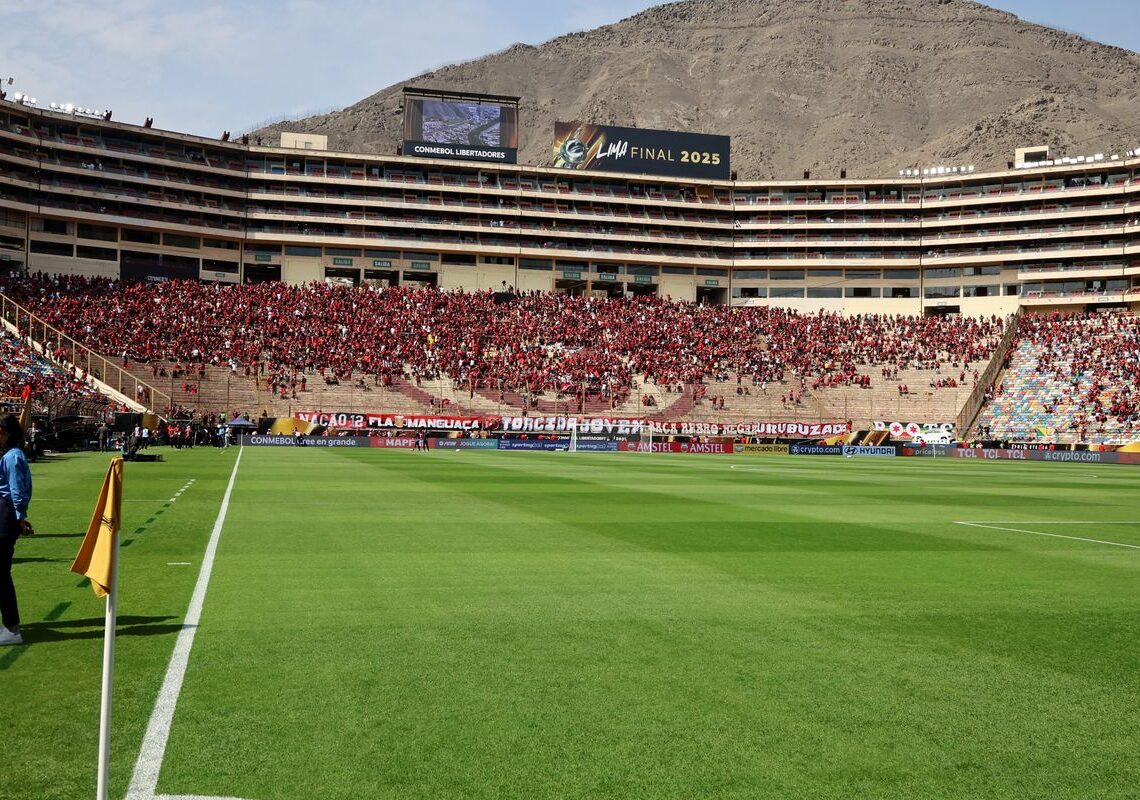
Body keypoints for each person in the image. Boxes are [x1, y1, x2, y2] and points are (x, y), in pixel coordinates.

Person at [0, 414, 33, 646]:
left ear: (7, 432)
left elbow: (16, 489)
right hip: (5, 512)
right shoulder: (10, 455)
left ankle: (12, 628)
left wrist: (20, 518)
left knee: (1, 574)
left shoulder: (13, 456)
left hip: (5, 514)